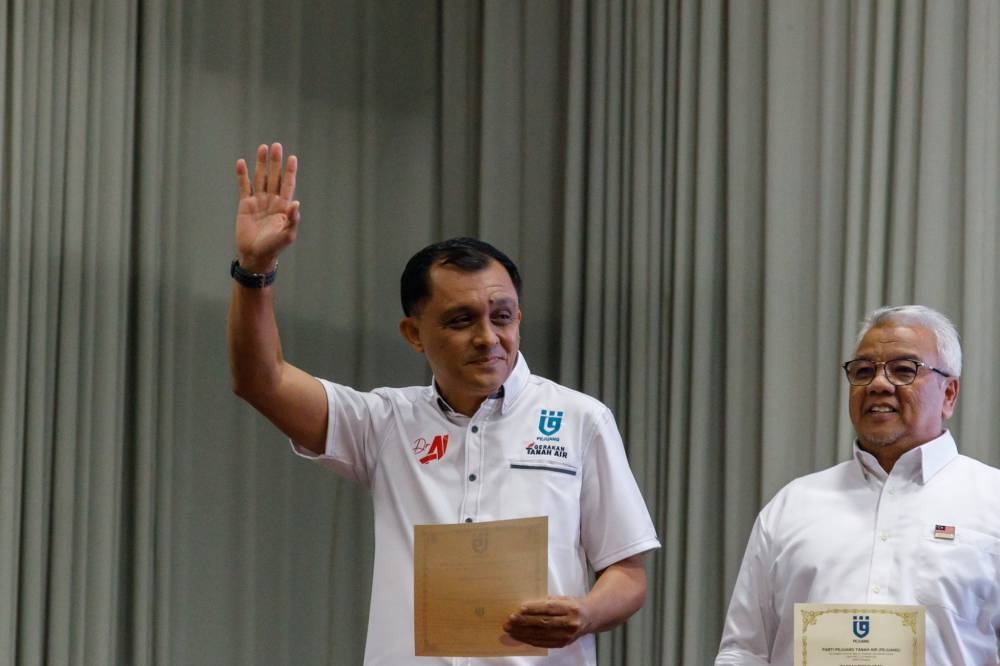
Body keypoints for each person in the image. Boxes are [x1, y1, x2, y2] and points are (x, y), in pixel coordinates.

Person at [227, 142, 661, 665]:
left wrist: (586, 613)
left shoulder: (579, 419)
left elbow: (628, 572)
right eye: (461, 321)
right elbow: (261, 380)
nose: (488, 337)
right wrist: (256, 269)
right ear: (414, 333)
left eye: (502, 316)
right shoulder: (384, 422)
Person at [715, 305, 1000, 665]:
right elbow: (744, 651)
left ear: (949, 394)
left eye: (903, 370)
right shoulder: (793, 505)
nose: (879, 384)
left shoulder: (992, 501)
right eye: (864, 371)